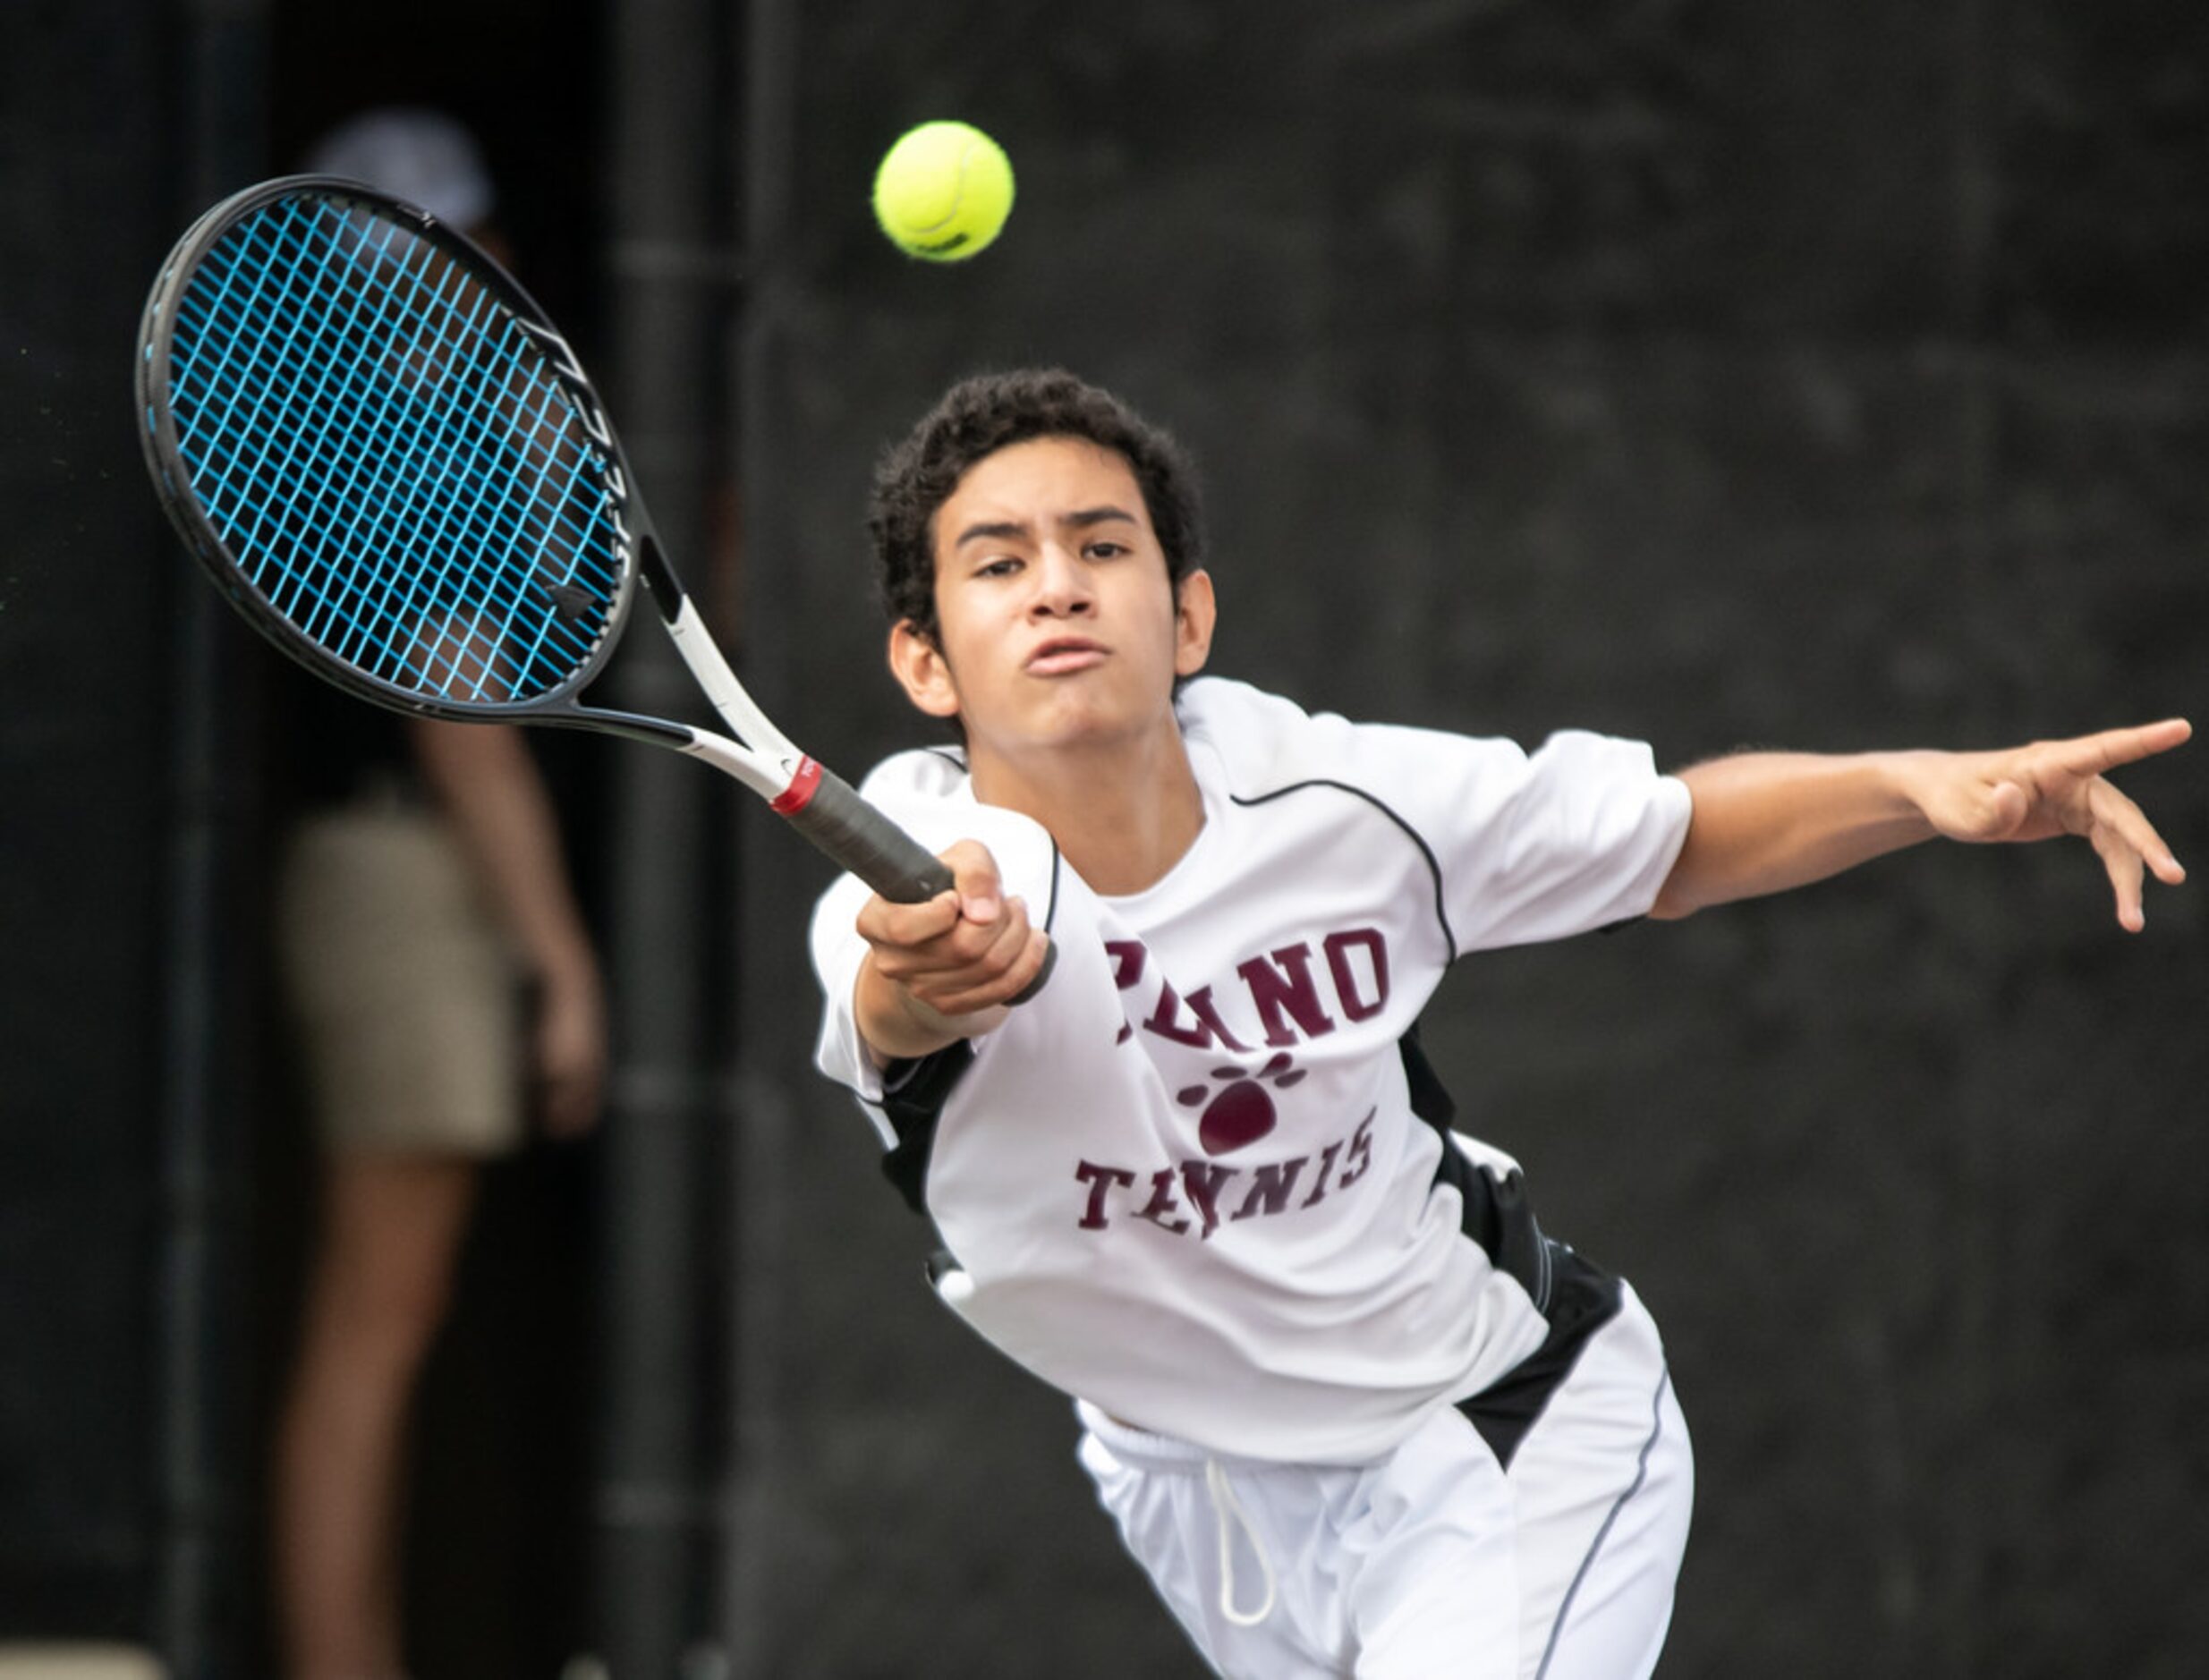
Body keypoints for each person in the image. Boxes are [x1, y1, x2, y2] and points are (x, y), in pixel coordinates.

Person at [806, 368, 2189, 1679]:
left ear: (1188, 622)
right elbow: (897, 997)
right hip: (1195, 1482)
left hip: (1498, 1423)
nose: (1056, 585)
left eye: (1102, 546)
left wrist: (1915, 781)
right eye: (997, 563)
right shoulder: (910, 873)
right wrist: (935, 969)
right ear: (925, 663)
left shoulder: (1349, 803)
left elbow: (1679, 839)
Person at [268, 108, 607, 1680]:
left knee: (392, 1307)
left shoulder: (461, 425)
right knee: (380, 1308)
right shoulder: (387, 435)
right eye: (441, 250)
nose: (480, 273)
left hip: (404, 868)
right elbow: (457, 715)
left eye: (479, 239)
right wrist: (560, 959)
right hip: (405, 873)